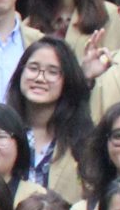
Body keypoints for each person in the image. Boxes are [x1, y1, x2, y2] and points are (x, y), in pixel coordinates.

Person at [9, 38, 90, 201]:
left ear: (67, 80)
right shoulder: (2, 130)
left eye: (52, 72)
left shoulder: (85, 140)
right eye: (33, 68)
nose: (40, 78)